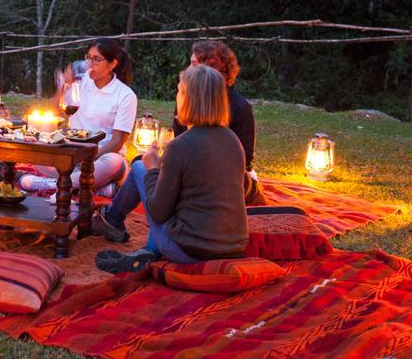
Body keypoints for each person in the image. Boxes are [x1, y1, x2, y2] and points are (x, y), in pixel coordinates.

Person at [91, 65, 248, 272]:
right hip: (233, 247)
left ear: (188, 99)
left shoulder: (180, 146)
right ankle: (133, 237)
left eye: (179, 91)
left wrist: (154, 168)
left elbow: (157, 212)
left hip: (188, 251)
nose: (177, 97)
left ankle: (113, 221)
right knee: (153, 176)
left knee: (139, 167)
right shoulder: (233, 140)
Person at [20, 37, 135, 196]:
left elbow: (117, 141)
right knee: (35, 152)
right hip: (71, 153)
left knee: (114, 163)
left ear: (112, 64)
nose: (90, 64)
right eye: (88, 57)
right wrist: (63, 86)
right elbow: (56, 112)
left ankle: (53, 184)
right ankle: (96, 188)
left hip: (100, 157)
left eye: (96, 60)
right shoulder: (80, 80)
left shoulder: (125, 95)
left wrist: (87, 158)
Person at [174, 40, 263, 204]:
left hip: (227, 179)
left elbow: (245, 159)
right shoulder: (185, 101)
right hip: (190, 170)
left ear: (209, 70)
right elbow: (179, 141)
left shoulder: (239, 107)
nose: (187, 70)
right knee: (142, 164)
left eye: (193, 64)